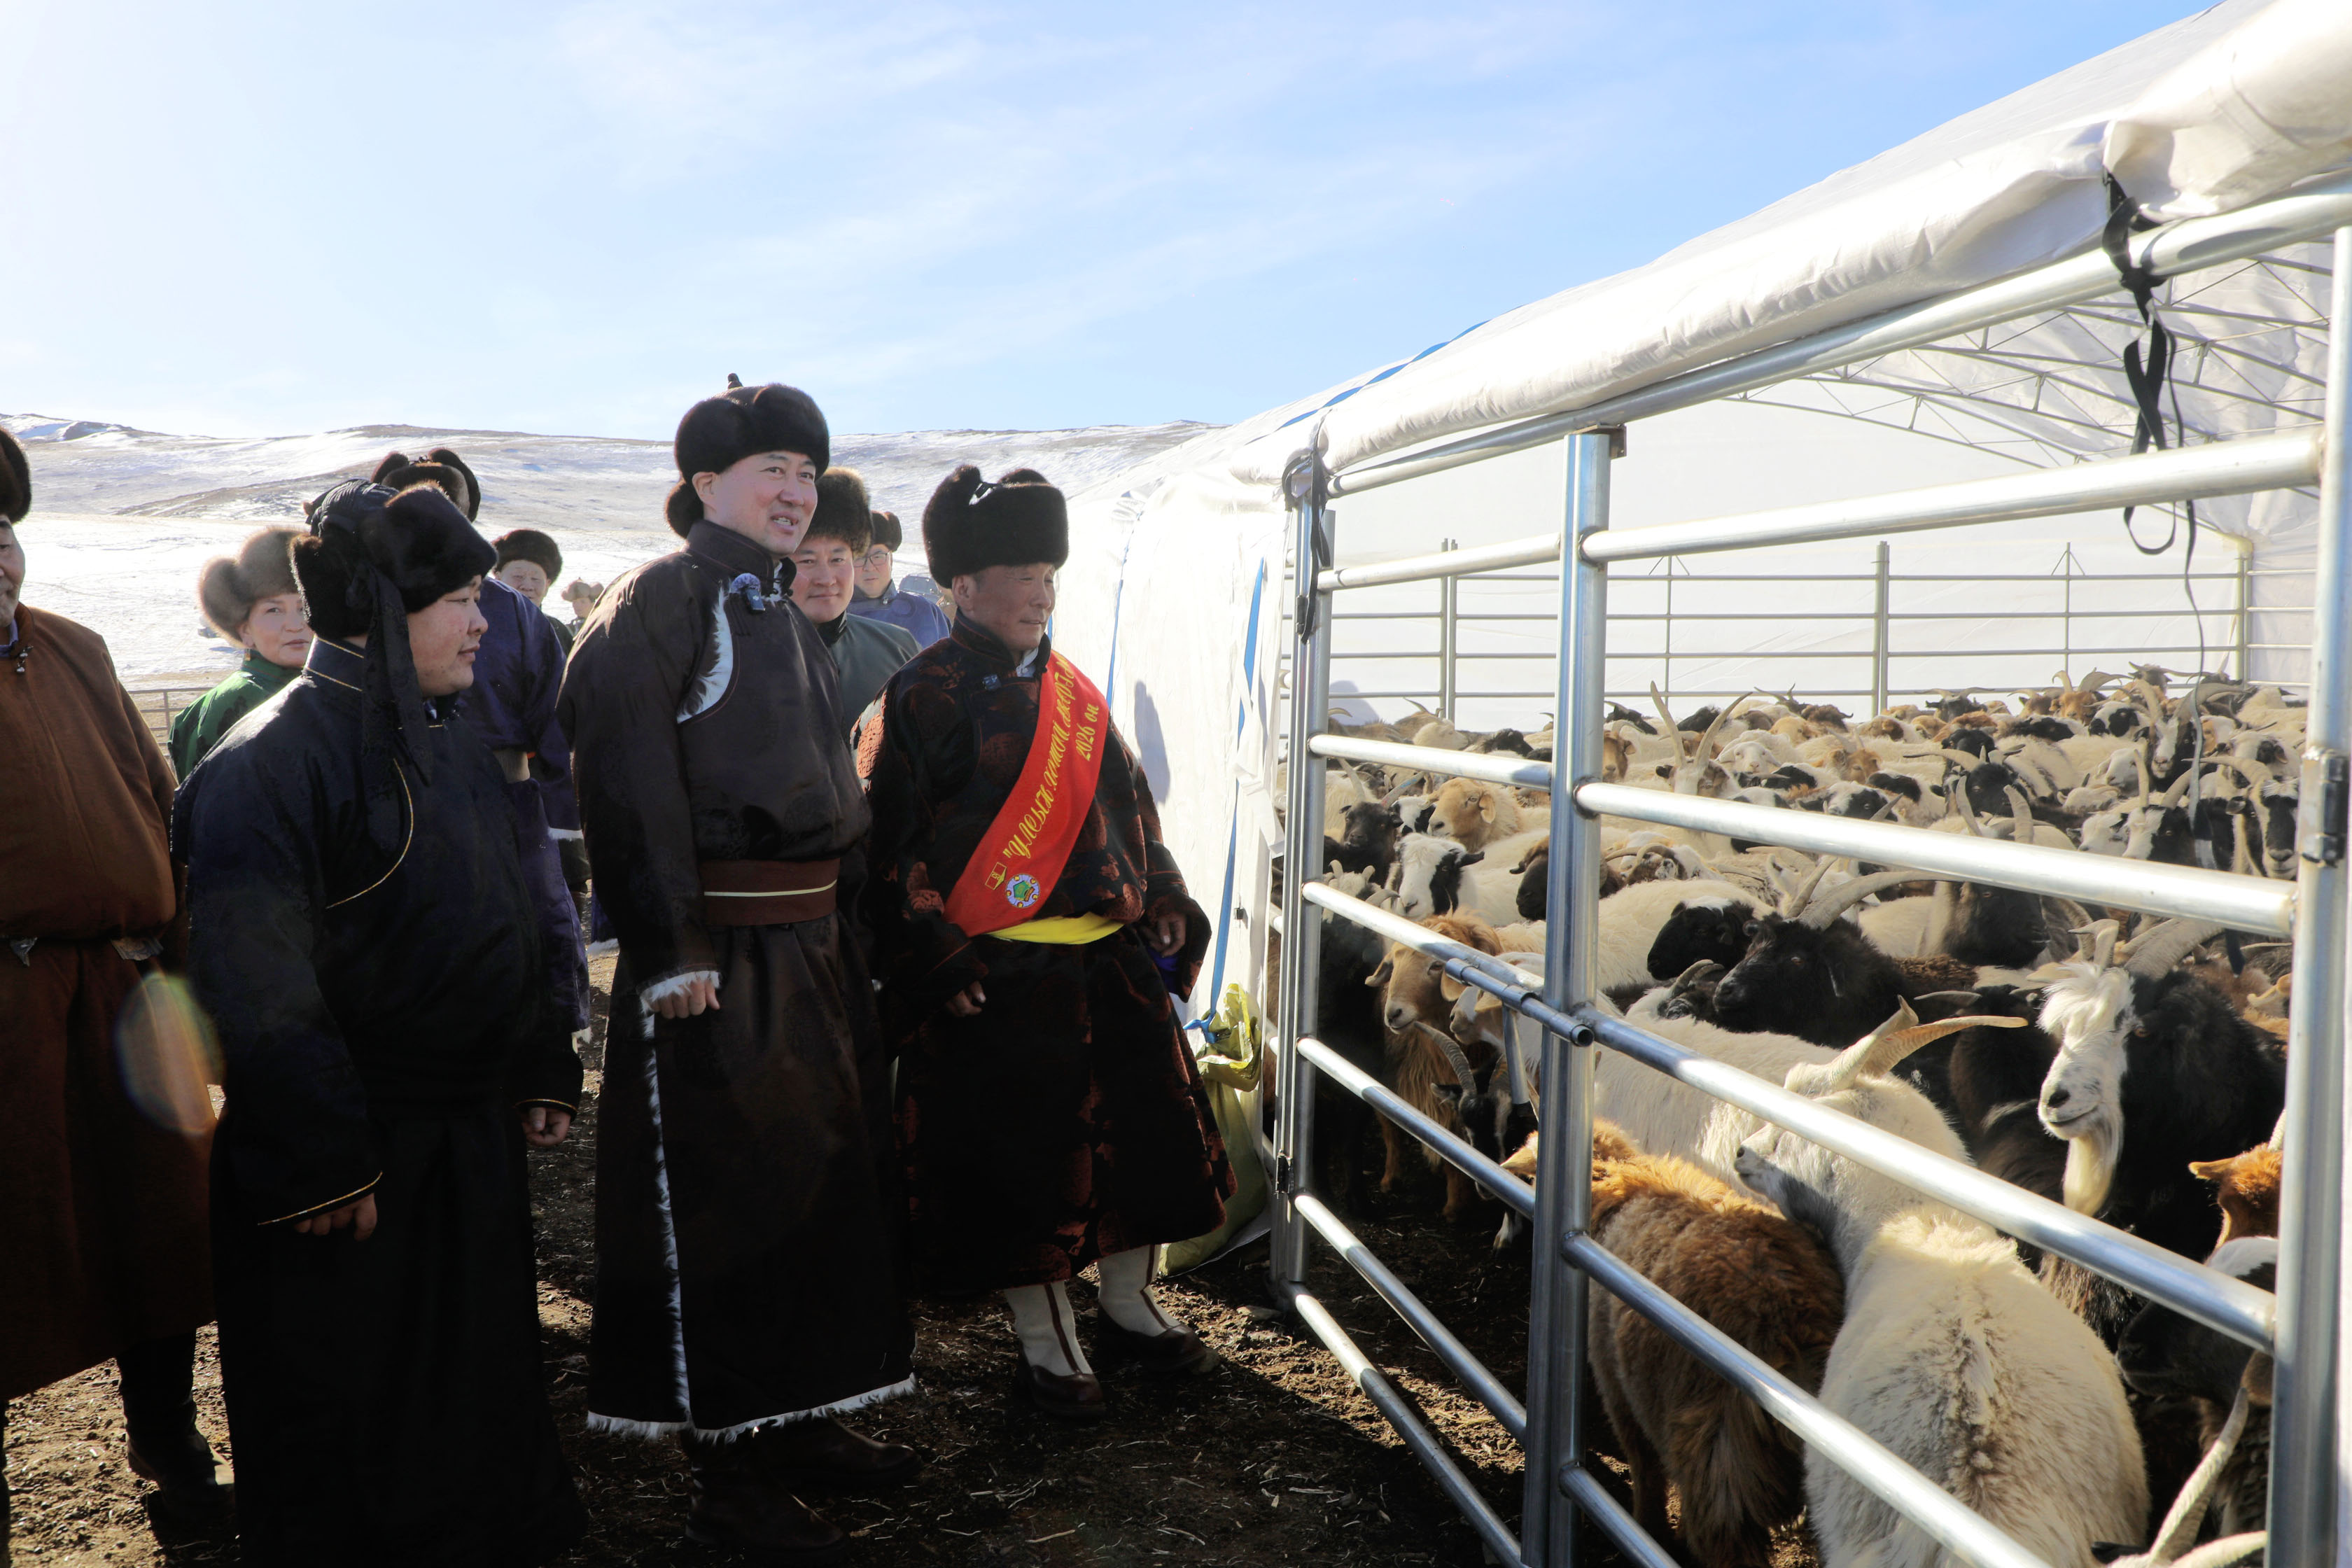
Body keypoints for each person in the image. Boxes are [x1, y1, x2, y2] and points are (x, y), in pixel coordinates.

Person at [174, 477, 587, 1566]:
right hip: (357, 1164)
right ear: (385, 615)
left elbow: (511, 911)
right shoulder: (264, 765)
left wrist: (539, 1057)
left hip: (463, 1140)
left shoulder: (449, 738)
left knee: (470, 1391)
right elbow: (251, 979)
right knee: (360, 1416)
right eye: (459, 599)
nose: (484, 622)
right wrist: (322, 1161)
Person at [559, 380, 915, 1560]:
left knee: (818, 1191)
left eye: (807, 473)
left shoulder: (777, 603)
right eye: (774, 470)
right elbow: (627, 784)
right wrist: (670, 951)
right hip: (723, 958)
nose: (797, 492)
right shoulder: (662, 601)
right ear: (707, 485)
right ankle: (732, 1482)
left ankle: (800, 1422)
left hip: (810, 949)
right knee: (731, 1210)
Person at [860, 464, 1234, 1421]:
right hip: (998, 980)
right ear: (963, 585)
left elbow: (1132, 811)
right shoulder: (919, 696)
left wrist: (1163, 896)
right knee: (1025, 1173)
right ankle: (1045, 1343)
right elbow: (890, 845)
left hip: (1109, 967)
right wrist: (935, 955)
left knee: (1146, 1150)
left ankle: (1129, 1308)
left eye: (1048, 575)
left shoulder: (1077, 694)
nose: (1040, 593)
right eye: (1021, 575)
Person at [0, 428, 227, 1532]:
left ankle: (172, 1457)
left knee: (162, 1228)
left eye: (2, 528)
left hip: (126, 996)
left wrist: (189, 982)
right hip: (7, 1011)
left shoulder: (77, 648)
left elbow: (158, 804)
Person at [384, 453, 591, 1051]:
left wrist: (562, 829)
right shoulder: (372, 601)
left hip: (501, 795)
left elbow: (555, 724)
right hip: (404, 798)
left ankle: (540, 1058)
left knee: (529, 936)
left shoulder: (515, 612)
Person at [169, 526, 313, 776]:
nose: (294, 625)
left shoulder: (328, 689)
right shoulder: (238, 702)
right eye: (274, 610)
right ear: (245, 629)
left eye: (304, 607)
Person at [792, 468, 918, 737]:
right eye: (808, 561)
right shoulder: (738, 655)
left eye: (838, 559)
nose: (827, 579)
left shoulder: (899, 648)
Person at [846, 506, 951, 648]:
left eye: (878, 556)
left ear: (891, 559)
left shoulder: (926, 613)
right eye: (860, 558)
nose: (869, 567)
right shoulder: (833, 618)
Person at [492, 528, 576, 653]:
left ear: (547, 586)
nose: (527, 586)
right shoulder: (479, 626)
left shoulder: (558, 633)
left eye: (535, 579)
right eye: (518, 576)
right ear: (498, 580)